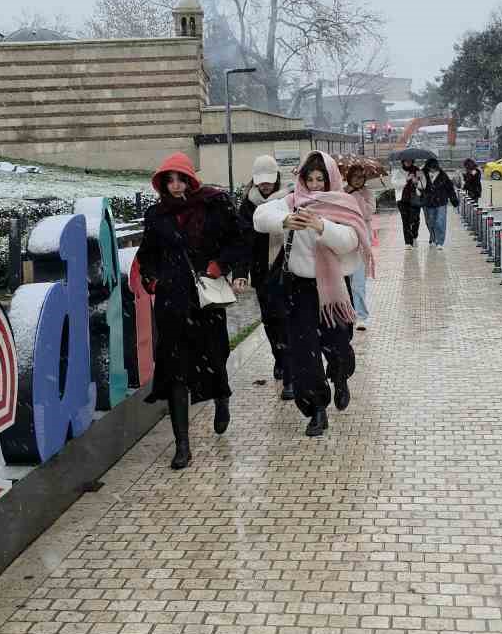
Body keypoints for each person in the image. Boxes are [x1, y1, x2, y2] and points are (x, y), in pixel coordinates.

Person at [134, 152, 249, 469]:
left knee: (214, 357)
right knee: (175, 372)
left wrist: (220, 265)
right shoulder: (156, 215)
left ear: (189, 179)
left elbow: (238, 241)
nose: (174, 185)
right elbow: (148, 253)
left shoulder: (213, 205)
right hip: (171, 303)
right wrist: (151, 279)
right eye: (168, 180)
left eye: (179, 178)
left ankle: (221, 399)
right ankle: (182, 444)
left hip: (205, 300)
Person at [253, 151, 374, 438]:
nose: (316, 184)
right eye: (310, 179)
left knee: (338, 344)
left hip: (332, 288)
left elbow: (349, 242)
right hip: (300, 289)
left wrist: (321, 226)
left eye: (321, 178)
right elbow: (261, 216)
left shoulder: (344, 204)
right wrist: (285, 220)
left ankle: (340, 377)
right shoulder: (292, 201)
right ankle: (316, 408)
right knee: (303, 353)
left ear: (330, 179)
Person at [240, 155, 294, 400]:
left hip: (286, 268)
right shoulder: (247, 205)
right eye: (261, 181)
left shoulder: (289, 199)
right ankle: (279, 357)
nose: (265, 186)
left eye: (269, 181)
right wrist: (241, 272)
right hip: (261, 270)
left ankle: (290, 370)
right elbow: (242, 240)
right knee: (269, 319)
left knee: (286, 318)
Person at [338, 156, 383, 331]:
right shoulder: (341, 193)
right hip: (344, 241)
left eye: (361, 177)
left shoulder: (368, 194)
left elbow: (367, 213)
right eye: (355, 176)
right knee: (344, 282)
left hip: (361, 243)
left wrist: (357, 197)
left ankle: (361, 316)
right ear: (349, 177)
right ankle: (347, 313)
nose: (359, 180)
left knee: (358, 282)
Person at [420, 157, 459, 247]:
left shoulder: (443, 175)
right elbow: (419, 188)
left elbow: (450, 188)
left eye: (434, 168)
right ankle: (433, 238)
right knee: (430, 222)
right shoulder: (423, 175)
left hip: (441, 201)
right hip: (428, 202)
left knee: (440, 221)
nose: (432, 170)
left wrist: (454, 200)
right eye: (430, 168)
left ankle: (439, 241)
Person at [397, 160, 424, 247]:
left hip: (415, 199)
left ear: (412, 161)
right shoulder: (399, 172)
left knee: (416, 219)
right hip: (402, 200)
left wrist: (417, 181)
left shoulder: (418, 170)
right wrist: (406, 179)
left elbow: (423, 184)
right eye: (406, 160)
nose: (408, 162)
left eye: (409, 160)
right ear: (403, 162)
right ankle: (408, 242)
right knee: (405, 221)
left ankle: (414, 236)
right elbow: (394, 183)